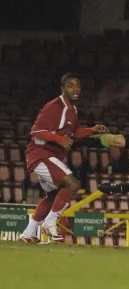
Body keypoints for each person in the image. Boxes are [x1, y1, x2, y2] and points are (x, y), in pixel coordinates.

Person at [20, 73, 108, 243]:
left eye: (78, 85)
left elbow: (74, 133)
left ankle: (27, 234)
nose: (75, 88)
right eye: (70, 85)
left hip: (49, 157)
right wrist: (59, 139)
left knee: (52, 197)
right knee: (72, 184)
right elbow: (36, 130)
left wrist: (92, 129)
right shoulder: (54, 106)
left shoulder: (72, 109)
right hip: (41, 155)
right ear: (62, 88)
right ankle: (50, 222)